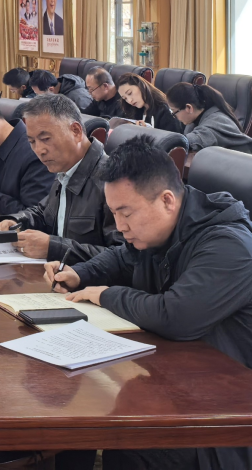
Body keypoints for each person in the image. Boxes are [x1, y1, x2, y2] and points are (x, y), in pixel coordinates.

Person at [47, 136, 252, 470]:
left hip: (219, 422)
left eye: (126, 213)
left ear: (167, 200)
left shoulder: (229, 246)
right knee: (75, 404)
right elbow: (121, 256)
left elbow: (176, 316)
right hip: (168, 381)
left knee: (124, 438)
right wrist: (80, 273)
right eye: (114, 213)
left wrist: (105, 294)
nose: (120, 227)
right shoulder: (162, 229)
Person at [0, 94, 121, 263]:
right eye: (32, 141)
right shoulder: (65, 168)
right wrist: (16, 220)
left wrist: (54, 248)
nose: (39, 150)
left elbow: (124, 258)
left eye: (45, 139)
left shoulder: (113, 181)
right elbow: (44, 212)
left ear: (76, 131)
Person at [167, 82, 252, 154]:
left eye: (174, 112)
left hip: (244, 165)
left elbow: (186, 141)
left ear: (189, 108)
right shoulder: (197, 119)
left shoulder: (216, 122)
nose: (174, 116)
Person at [114, 73, 183, 133]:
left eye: (130, 93)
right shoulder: (135, 110)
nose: (129, 101)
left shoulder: (165, 111)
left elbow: (174, 140)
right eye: (125, 98)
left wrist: (146, 133)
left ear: (141, 85)